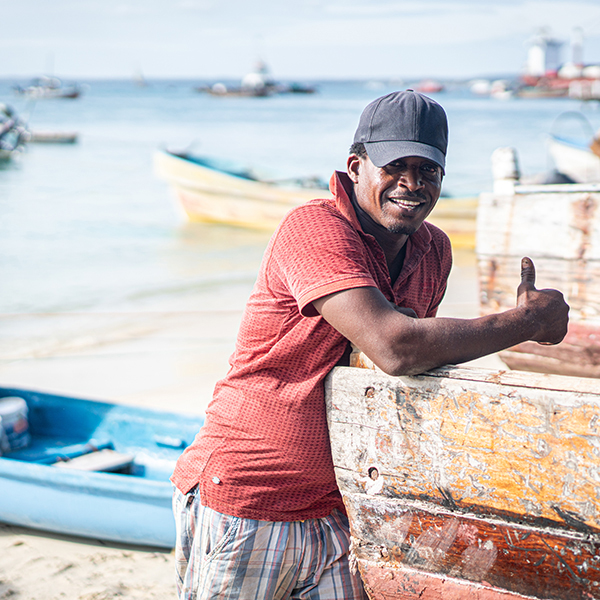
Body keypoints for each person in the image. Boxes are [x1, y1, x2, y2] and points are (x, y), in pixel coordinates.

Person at [171, 90, 569, 600]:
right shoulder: (313, 228)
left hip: (346, 505)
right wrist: (525, 323)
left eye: (427, 171)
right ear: (356, 166)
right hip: (250, 497)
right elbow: (395, 347)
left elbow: (406, 368)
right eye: (395, 166)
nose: (412, 184)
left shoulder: (434, 251)